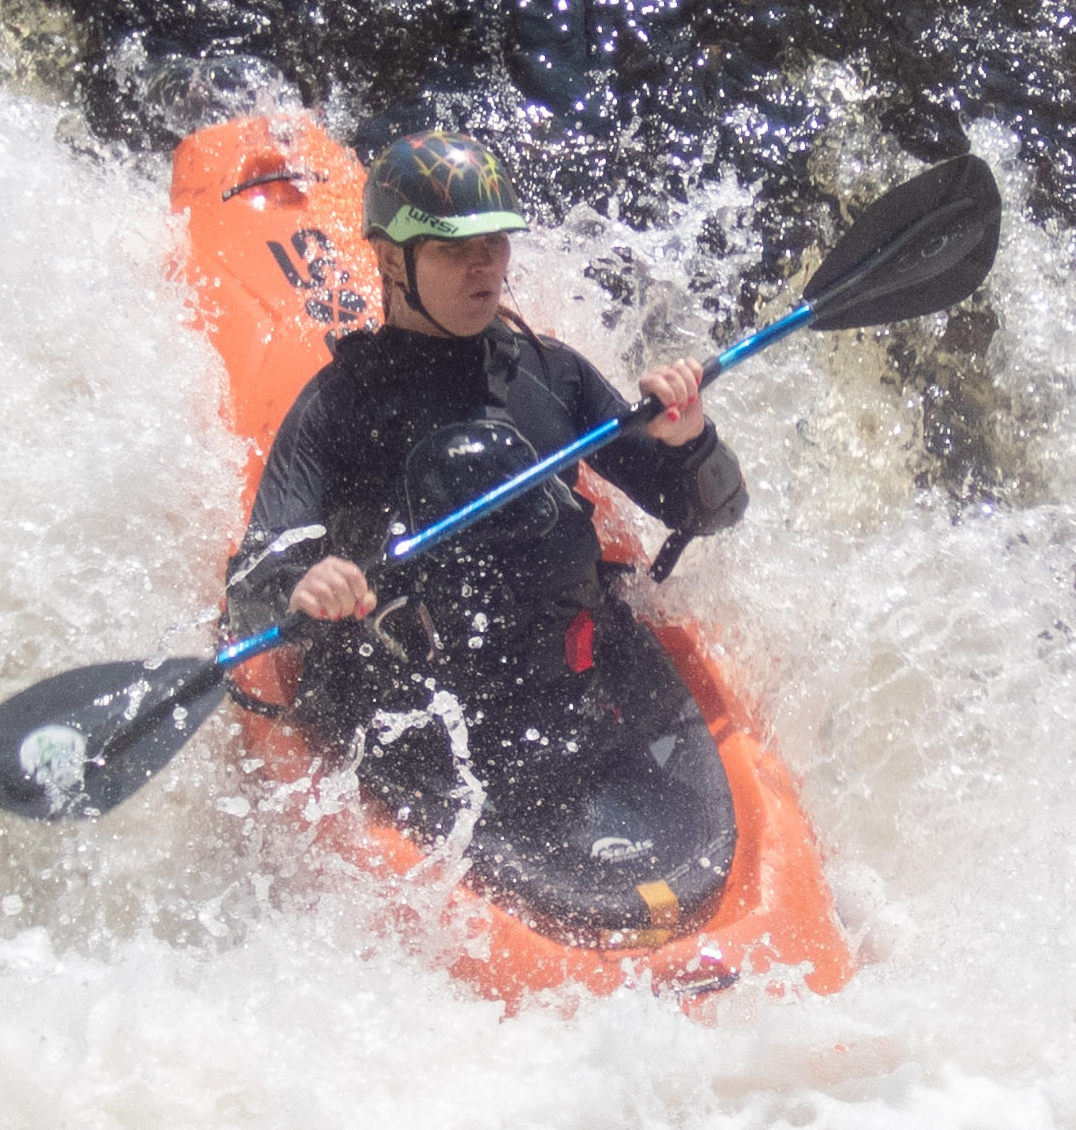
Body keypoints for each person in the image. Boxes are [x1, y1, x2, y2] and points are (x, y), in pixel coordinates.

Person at [224, 130, 748, 928]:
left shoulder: (550, 372)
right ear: (391, 259)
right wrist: (305, 584)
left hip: (571, 702)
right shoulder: (339, 405)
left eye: (495, 244)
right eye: (453, 249)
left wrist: (691, 440)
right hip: (424, 734)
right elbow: (252, 586)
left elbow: (709, 512)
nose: (484, 267)